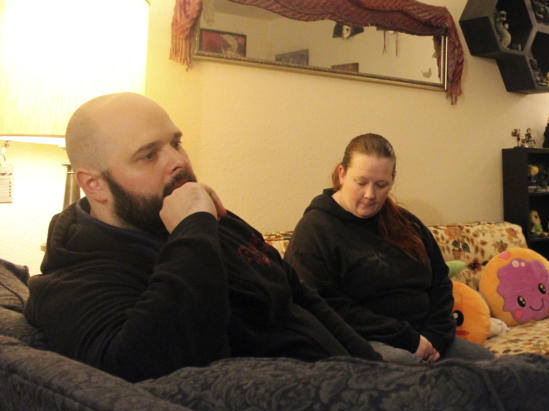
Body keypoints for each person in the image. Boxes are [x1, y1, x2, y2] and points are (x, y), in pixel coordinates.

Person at [25, 92, 381, 382]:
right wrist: (192, 230)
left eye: (176, 143)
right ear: (94, 185)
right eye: (148, 155)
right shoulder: (73, 280)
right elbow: (151, 365)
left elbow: (301, 295)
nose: (177, 161)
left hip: (351, 386)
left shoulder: (216, 221)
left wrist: (374, 370)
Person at [284, 133, 494, 364]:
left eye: (381, 185)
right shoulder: (315, 230)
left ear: (392, 181)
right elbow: (323, 306)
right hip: (364, 341)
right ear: (342, 174)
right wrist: (408, 339)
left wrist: (435, 337)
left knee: (491, 367)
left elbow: (440, 282)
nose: (370, 195)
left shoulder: (406, 222)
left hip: (427, 338)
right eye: (361, 182)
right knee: (409, 367)